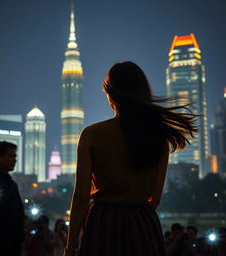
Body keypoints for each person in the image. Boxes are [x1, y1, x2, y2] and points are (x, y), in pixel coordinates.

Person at [63, 61, 198, 256]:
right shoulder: (159, 137)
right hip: (142, 225)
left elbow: (81, 197)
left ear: (111, 96)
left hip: (103, 224)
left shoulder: (91, 134)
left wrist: (69, 248)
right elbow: (155, 198)